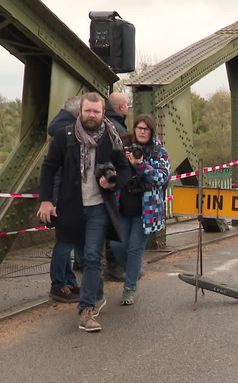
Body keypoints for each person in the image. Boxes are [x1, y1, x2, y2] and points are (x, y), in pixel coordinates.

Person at [37, 92, 131, 332]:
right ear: (80, 112)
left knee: (91, 257)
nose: (92, 115)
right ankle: (97, 293)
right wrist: (46, 200)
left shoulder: (111, 138)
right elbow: (49, 168)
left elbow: (124, 170)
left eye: (96, 112)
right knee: (82, 254)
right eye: (88, 111)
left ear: (103, 113)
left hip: (99, 207)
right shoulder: (64, 136)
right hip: (72, 208)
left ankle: (85, 310)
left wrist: (113, 183)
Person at [110, 114, 170, 305]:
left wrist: (140, 164)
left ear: (151, 131)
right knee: (117, 245)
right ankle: (133, 271)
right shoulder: (123, 147)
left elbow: (161, 178)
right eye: (139, 128)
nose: (142, 131)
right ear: (134, 129)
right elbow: (111, 169)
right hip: (122, 206)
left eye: (146, 129)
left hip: (146, 210)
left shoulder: (160, 152)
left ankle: (130, 288)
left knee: (135, 248)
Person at [46, 96, 83, 303]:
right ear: (79, 113)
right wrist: (53, 200)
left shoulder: (62, 128)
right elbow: (53, 169)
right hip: (62, 195)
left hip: (62, 194)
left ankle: (68, 282)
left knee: (68, 240)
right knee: (64, 242)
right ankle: (58, 285)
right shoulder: (67, 132)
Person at [103, 92, 131, 281]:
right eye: (127, 105)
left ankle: (81, 261)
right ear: (121, 108)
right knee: (114, 223)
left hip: (101, 182)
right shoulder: (118, 128)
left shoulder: (103, 124)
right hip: (113, 184)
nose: (128, 108)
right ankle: (115, 266)